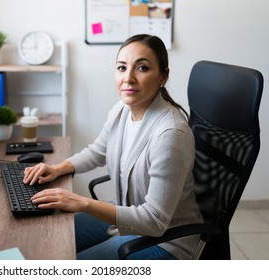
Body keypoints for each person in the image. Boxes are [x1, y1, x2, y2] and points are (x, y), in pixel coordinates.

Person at [23, 34, 203, 260]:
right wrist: (58, 168)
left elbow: (155, 221)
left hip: (167, 241)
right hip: (131, 221)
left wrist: (83, 203)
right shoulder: (122, 110)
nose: (128, 78)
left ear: (163, 77)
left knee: (67, 261)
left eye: (142, 68)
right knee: (51, 235)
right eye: (121, 67)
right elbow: (98, 151)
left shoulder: (170, 134)